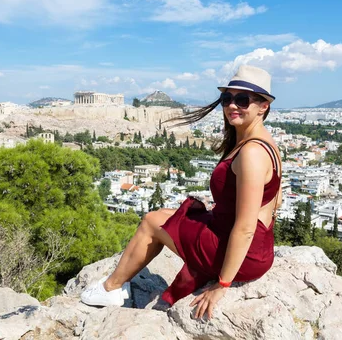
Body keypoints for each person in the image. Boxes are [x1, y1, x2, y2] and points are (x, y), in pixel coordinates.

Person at [81, 65, 282, 320]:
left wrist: (222, 284)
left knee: (151, 222)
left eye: (243, 100)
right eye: (227, 98)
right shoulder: (266, 143)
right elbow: (276, 200)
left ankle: (111, 289)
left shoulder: (252, 152)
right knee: (165, 214)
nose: (232, 106)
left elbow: (245, 228)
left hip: (246, 252)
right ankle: (120, 280)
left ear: (263, 106)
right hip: (255, 246)